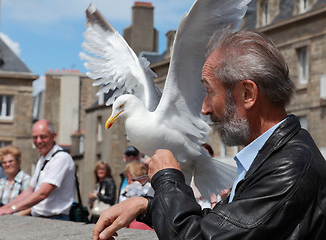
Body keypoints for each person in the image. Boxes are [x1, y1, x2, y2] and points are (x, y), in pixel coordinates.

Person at [92, 30, 326, 240]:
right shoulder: (275, 155)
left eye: (209, 91)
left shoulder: (288, 169)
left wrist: (167, 180)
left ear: (247, 94)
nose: (204, 108)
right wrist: (148, 207)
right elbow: (222, 227)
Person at [0, 119, 76, 221]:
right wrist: (3, 209)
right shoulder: (43, 159)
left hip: (56, 218)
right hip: (41, 218)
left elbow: (42, 193)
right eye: (35, 137)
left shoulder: (61, 158)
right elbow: (30, 191)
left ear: (53, 136)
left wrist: (11, 209)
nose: (39, 141)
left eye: (43, 137)